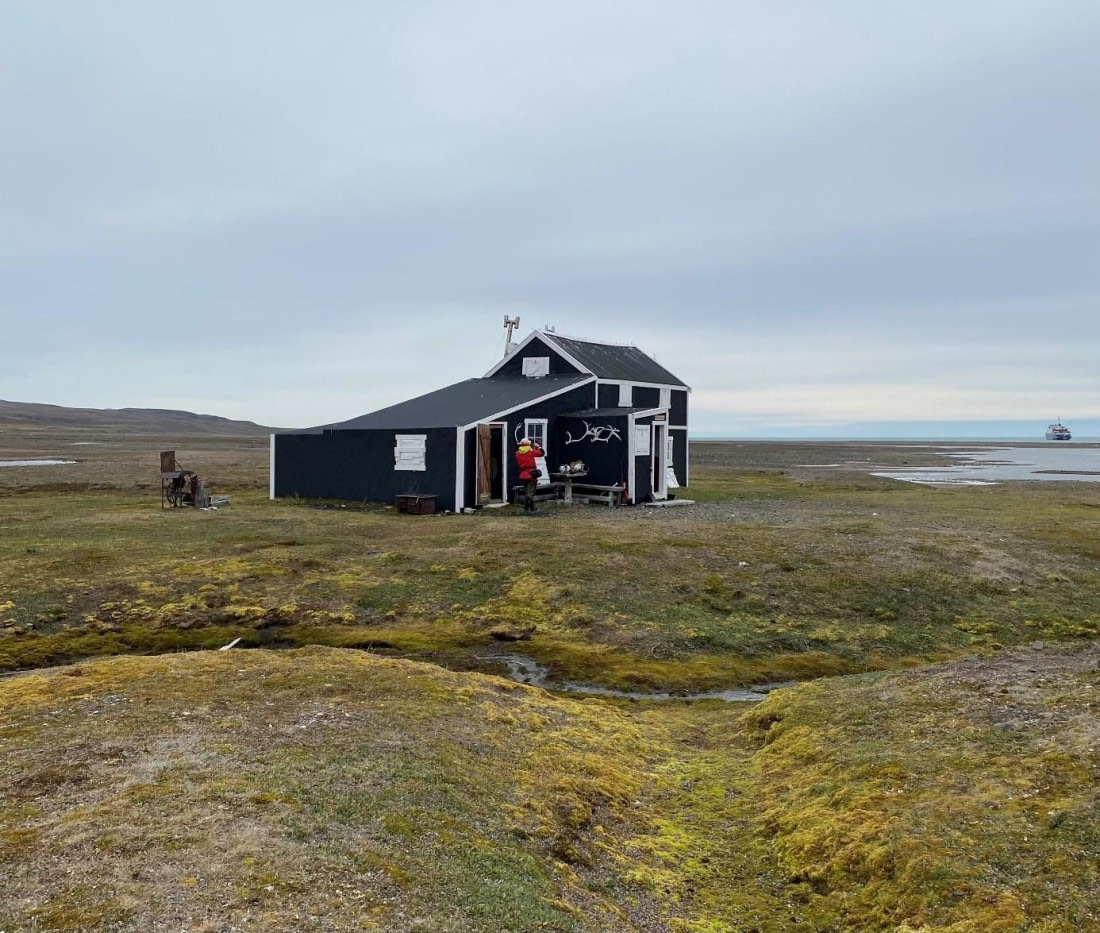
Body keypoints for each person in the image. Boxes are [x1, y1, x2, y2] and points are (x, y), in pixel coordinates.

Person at [514, 437, 544, 513]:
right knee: (531, 492)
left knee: (528, 491)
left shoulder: (517, 453)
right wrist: (538, 447)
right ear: (528, 444)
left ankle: (531, 507)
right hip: (531, 474)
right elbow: (542, 453)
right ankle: (527, 508)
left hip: (523, 474)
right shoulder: (531, 452)